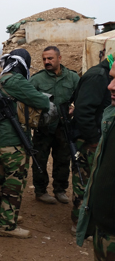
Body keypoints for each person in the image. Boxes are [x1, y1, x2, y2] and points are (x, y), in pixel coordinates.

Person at [0, 49, 50, 239]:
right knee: (15, 182)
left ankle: (3, 214)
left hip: (1, 139)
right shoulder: (16, 81)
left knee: (2, 178)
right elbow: (41, 101)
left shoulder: (0, 79)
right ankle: (7, 225)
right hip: (13, 141)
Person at [29, 46, 79, 204]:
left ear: (59, 58)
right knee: (40, 159)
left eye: (50, 58)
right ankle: (40, 190)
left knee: (63, 159)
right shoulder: (37, 80)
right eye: (44, 59)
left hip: (64, 126)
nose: (47, 62)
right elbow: (28, 102)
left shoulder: (72, 77)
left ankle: (60, 189)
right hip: (44, 128)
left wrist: (74, 108)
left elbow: (81, 97)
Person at [76, 56, 115, 260]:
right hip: (105, 227)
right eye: (111, 78)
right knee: (83, 177)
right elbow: (84, 110)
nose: (111, 86)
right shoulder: (96, 77)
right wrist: (93, 139)